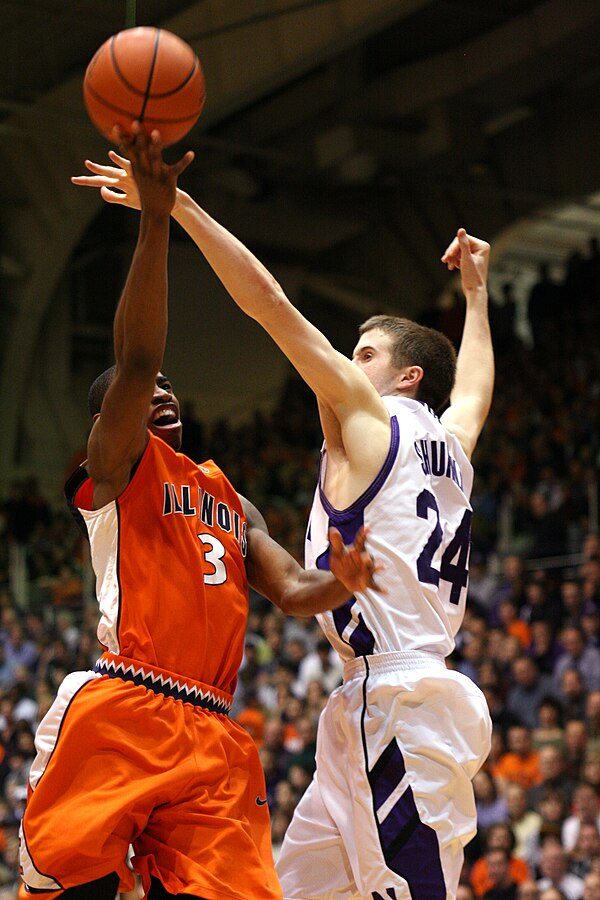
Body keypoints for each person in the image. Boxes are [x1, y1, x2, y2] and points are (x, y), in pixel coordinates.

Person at [73, 151, 495, 897]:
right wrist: (477, 295)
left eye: (364, 352)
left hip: (397, 700)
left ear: (405, 378)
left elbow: (268, 302)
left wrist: (178, 207)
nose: (346, 361)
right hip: (369, 704)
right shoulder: (454, 439)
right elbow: (476, 386)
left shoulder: (368, 418)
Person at [20, 128, 381, 900]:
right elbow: (140, 357)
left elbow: (290, 590)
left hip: (214, 729)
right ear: (108, 421)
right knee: (69, 887)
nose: (159, 392)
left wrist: (342, 580)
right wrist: (155, 218)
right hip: (127, 703)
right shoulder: (117, 467)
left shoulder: (228, 495)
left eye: (167, 390)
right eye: (138, 395)